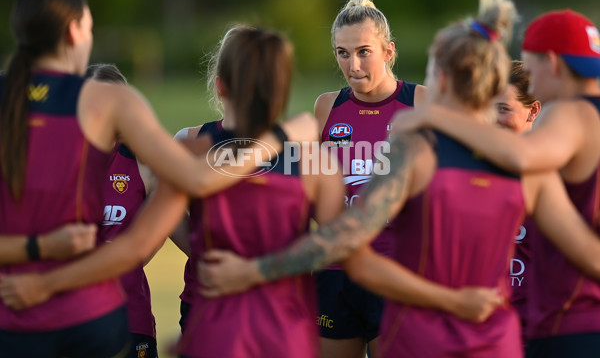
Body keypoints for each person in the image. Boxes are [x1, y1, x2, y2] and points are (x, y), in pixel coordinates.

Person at [0, 23, 504, 358]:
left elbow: (133, 245)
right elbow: (353, 255)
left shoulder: (194, 154)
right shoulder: (315, 162)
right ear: (286, 86)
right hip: (287, 335)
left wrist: (45, 281)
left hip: (213, 328)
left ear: (220, 85)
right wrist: (449, 298)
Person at [193, 0, 600, 357]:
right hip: (497, 342)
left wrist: (253, 271)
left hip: (420, 338)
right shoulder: (530, 168)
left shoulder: (412, 156)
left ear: (439, 78)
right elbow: (588, 256)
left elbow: (346, 241)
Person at [0, 0, 313, 358]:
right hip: (88, 319)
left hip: (11, 316)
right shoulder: (108, 100)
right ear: (73, 32)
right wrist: (279, 136)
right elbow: (193, 178)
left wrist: (37, 249)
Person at [388, 8, 600, 357]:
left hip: (572, 316)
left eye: (530, 72)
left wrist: (435, 114)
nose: (532, 85)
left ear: (553, 63)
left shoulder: (571, 113)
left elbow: (522, 156)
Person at [312, 0, 426, 358]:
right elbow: (310, 188)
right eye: (342, 54)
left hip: (396, 270)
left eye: (364, 52)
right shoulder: (327, 107)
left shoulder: (421, 102)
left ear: (389, 51)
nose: (353, 66)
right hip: (335, 272)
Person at [86, 63, 159, 358]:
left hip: (130, 317)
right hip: (71, 319)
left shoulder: (143, 160)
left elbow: (175, 229)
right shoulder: (59, 161)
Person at [496, 61, 541, 342]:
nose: (492, 119)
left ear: (533, 110)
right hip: (487, 325)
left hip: (540, 326)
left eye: (503, 109)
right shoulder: (469, 169)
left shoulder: (555, 169)